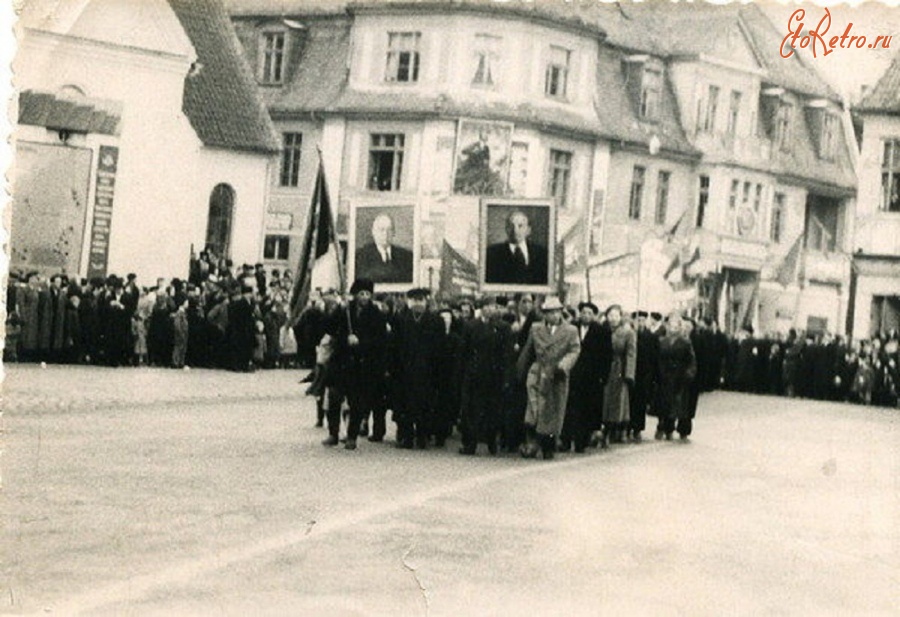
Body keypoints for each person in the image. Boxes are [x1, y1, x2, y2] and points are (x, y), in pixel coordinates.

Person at [322, 278, 388, 450]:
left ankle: (352, 436)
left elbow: (379, 340)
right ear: (355, 295)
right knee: (334, 398)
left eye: (367, 294)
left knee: (357, 402)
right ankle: (333, 433)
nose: (364, 297)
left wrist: (360, 342)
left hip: (362, 364)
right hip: (341, 361)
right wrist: (337, 311)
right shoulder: (345, 310)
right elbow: (329, 328)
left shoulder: (376, 315)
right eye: (361, 294)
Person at [516, 296, 581, 460]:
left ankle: (548, 447)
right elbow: (528, 350)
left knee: (553, 413)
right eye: (548, 312)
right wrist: (519, 370)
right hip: (538, 373)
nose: (552, 315)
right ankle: (532, 444)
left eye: (555, 312)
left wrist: (564, 365)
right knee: (533, 409)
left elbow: (574, 350)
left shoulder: (571, 331)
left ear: (561, 312)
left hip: (556, 375)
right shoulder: (536, 328)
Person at [459, 296, 514, 456]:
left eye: (493, 306)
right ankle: (470, 443)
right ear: (481, 308)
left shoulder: (503, 327)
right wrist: (463, 373)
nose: (491, 309)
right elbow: (464, 352)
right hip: (474, 375)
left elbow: (507, 354)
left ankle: (492, 442)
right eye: (488, 306)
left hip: (494, 375)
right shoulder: (471, 326)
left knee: (493, 410)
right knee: (472, 410)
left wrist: (506, 376)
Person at [390, 288, 444, 449]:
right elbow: (394, 345)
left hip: (427, 370)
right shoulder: (401, 319)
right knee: (405, 405)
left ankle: (422, 436)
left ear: (426, 302)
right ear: (410, 302)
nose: (418, 303)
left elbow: (440, 348)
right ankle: (407, 437)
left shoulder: (435, 321)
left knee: (425, 405)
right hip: (405, 370)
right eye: (415, 300)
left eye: (421, 300)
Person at [561, 302, 609, 453]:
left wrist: (603, 377)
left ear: (594, 315)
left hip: (591, 378)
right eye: (583, 312)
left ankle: (581, 441)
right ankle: (566, 440)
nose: (586, 315)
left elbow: (607, 356)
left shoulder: (601, 331)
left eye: (589, 313)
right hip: (573, 375)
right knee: (569, 408)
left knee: (586, 410)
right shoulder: (572, 328)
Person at [655, 312, 698, 441]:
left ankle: (682, 431)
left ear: (680, 327)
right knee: (666, 404)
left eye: (676, 325)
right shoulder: (662, 341)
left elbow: (691, 360)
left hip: (680, 377)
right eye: (671, 325)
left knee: (680, 405)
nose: (673, 328)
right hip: (666, 376)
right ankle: (667, 429)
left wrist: (689, 373)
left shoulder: (685, 342)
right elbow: (658, 358)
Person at [600, 304, 636, 448]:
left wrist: (629, 373)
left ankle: (619, 429)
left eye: (616, 315)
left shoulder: (628, 333)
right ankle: (605, 429)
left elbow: (631, 353)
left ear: (620, 317)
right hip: (604, 368)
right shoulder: (602, 330)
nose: (613, 318)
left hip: (619, 368)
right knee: (604, 399)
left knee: (619, 400)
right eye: (610, 315)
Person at [485, 210, 549, 286]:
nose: (515, 230)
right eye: (511, 226)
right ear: (506, 229)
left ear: (528, 230)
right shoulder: (492, 253)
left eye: (520, 226)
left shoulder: (542, 253)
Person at [355, 213, 414, 283]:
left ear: (394, 232)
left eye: (389, 230)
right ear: (374, 232)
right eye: (381, 230)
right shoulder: (360, 256)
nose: (386, 234)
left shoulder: (407, 256)